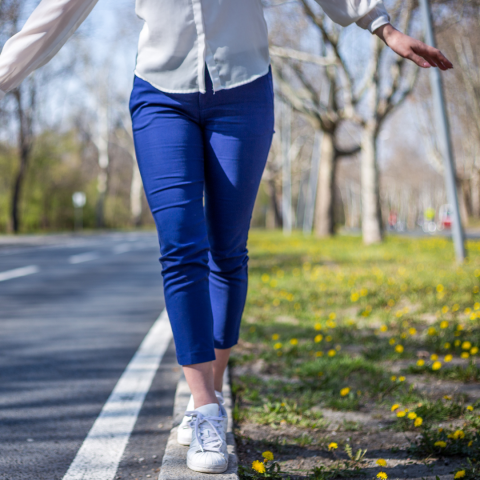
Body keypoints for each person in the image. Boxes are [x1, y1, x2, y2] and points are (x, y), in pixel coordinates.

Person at [0, 0, 453, 474]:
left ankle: (208, 395)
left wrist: (382, 26)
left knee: (228, 250)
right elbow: (60, 8)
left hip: (243, 90)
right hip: (160, 94)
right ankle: (208, 408)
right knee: (180, 247)